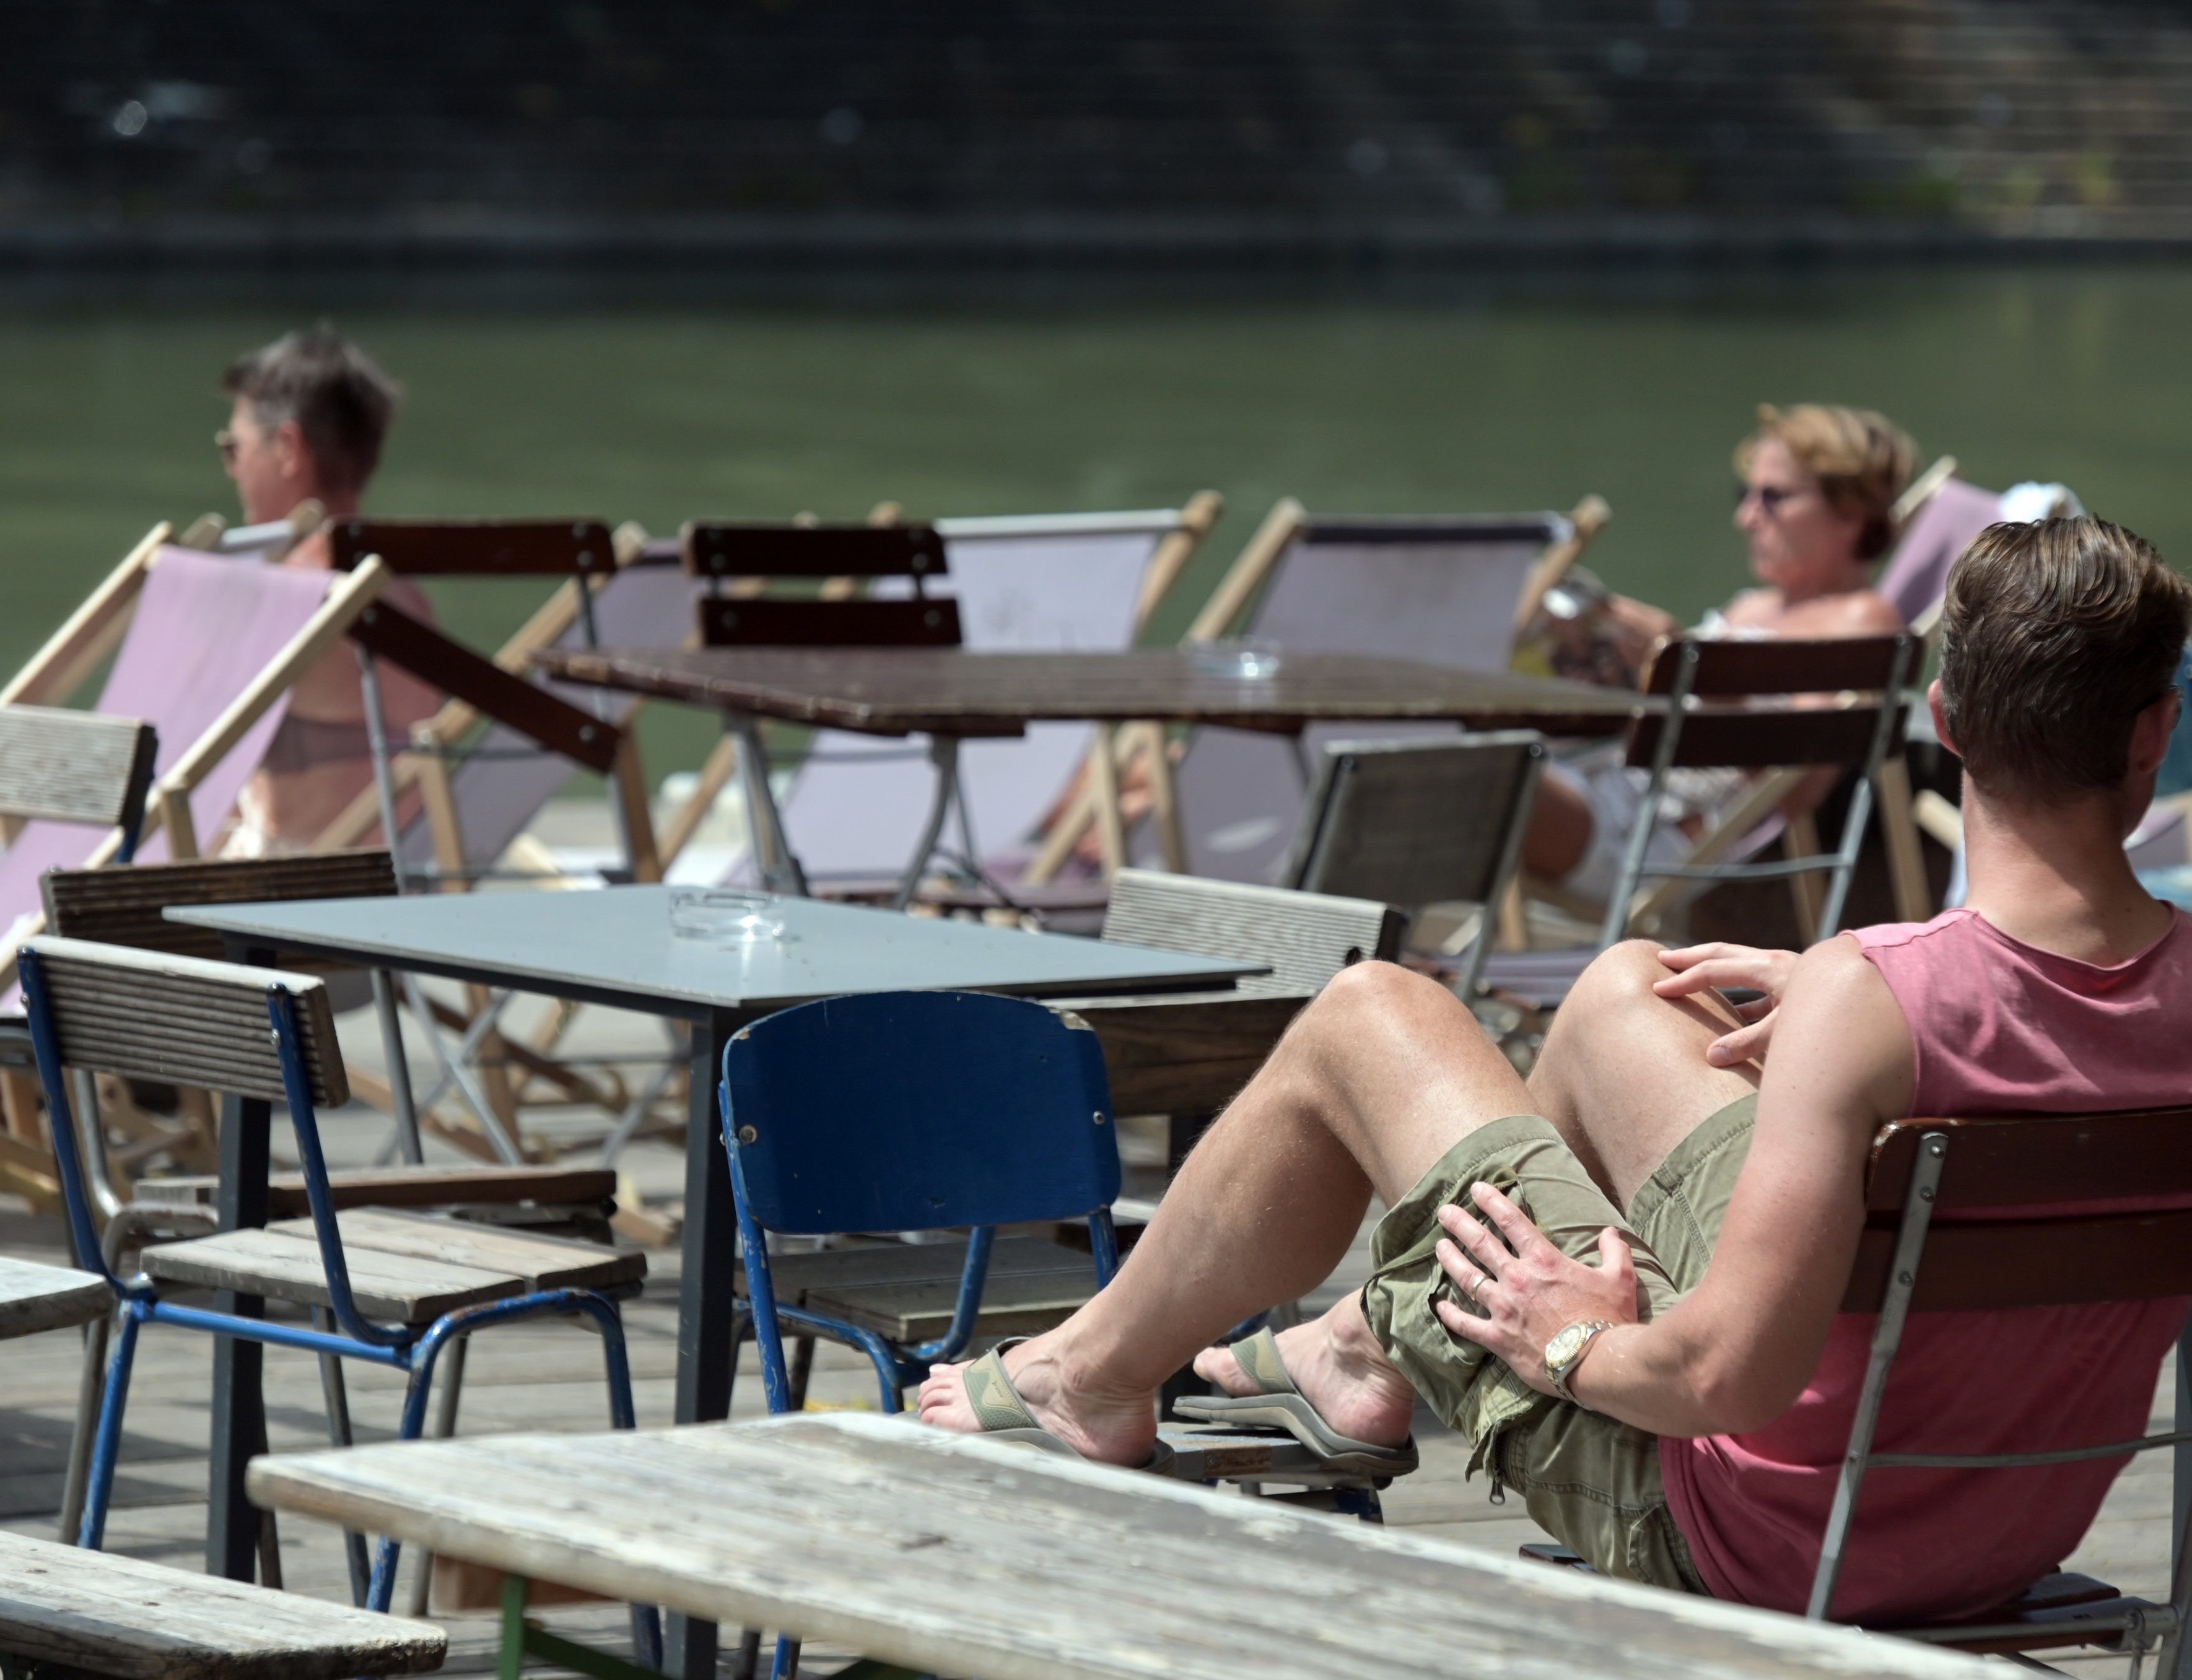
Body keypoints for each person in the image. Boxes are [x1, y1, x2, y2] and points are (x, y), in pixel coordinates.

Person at [920, 514, 2192, 1626]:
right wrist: (1859, 992)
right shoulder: (1903, 995)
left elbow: (1718, 1380)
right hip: (2001, 1538)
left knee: (1368, 1012)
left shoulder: (1878, 992)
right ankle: (1358, 1348)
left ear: (1941, 720)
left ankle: (1088, 1377)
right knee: (1626, 986)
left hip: (1755, 1546)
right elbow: (2057, 999)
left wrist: (1568, 1340)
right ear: (2154, 729)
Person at [1526, 403, 1916, 903]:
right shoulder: (1754, 604)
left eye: (1772, 498)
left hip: (1648, 835)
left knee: (1475, 781)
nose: (1746, 517)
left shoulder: (1861, 621)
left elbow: (1796, 787)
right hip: (1603, 778)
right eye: (1746, 495)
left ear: (1850, 513)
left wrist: (1691, 670)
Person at [214, 326, 438, 855]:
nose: (233, 470)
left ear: (289, 449)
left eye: (235, 448)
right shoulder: (406, 597)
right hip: (406, 873)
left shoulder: (289, 600)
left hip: (289, 891)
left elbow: (193, 782)